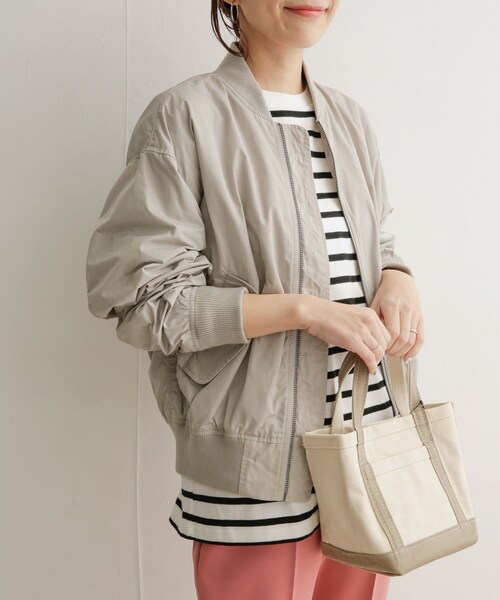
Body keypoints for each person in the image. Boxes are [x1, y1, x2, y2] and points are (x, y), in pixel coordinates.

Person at [86, 0, 424, 598]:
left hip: (367, 446)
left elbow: (374, 243)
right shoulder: (184, 117)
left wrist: (398, 276)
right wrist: (303, 311)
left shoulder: (349, 119)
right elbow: (144, 300)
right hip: (257, 468)